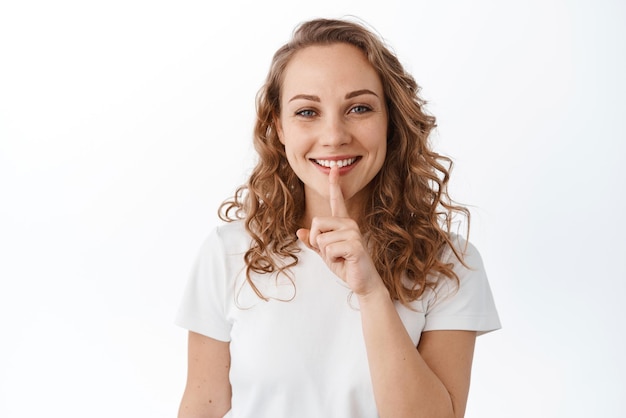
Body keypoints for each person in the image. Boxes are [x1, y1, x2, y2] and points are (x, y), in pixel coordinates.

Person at [175, 17, 500, 418]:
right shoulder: (228, 253)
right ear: (278, 126)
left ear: (391, 122)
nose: (334, 135)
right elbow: (202, 407)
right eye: (307, 111)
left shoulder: (450, 265)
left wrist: (371, 293)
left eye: (359, 108)